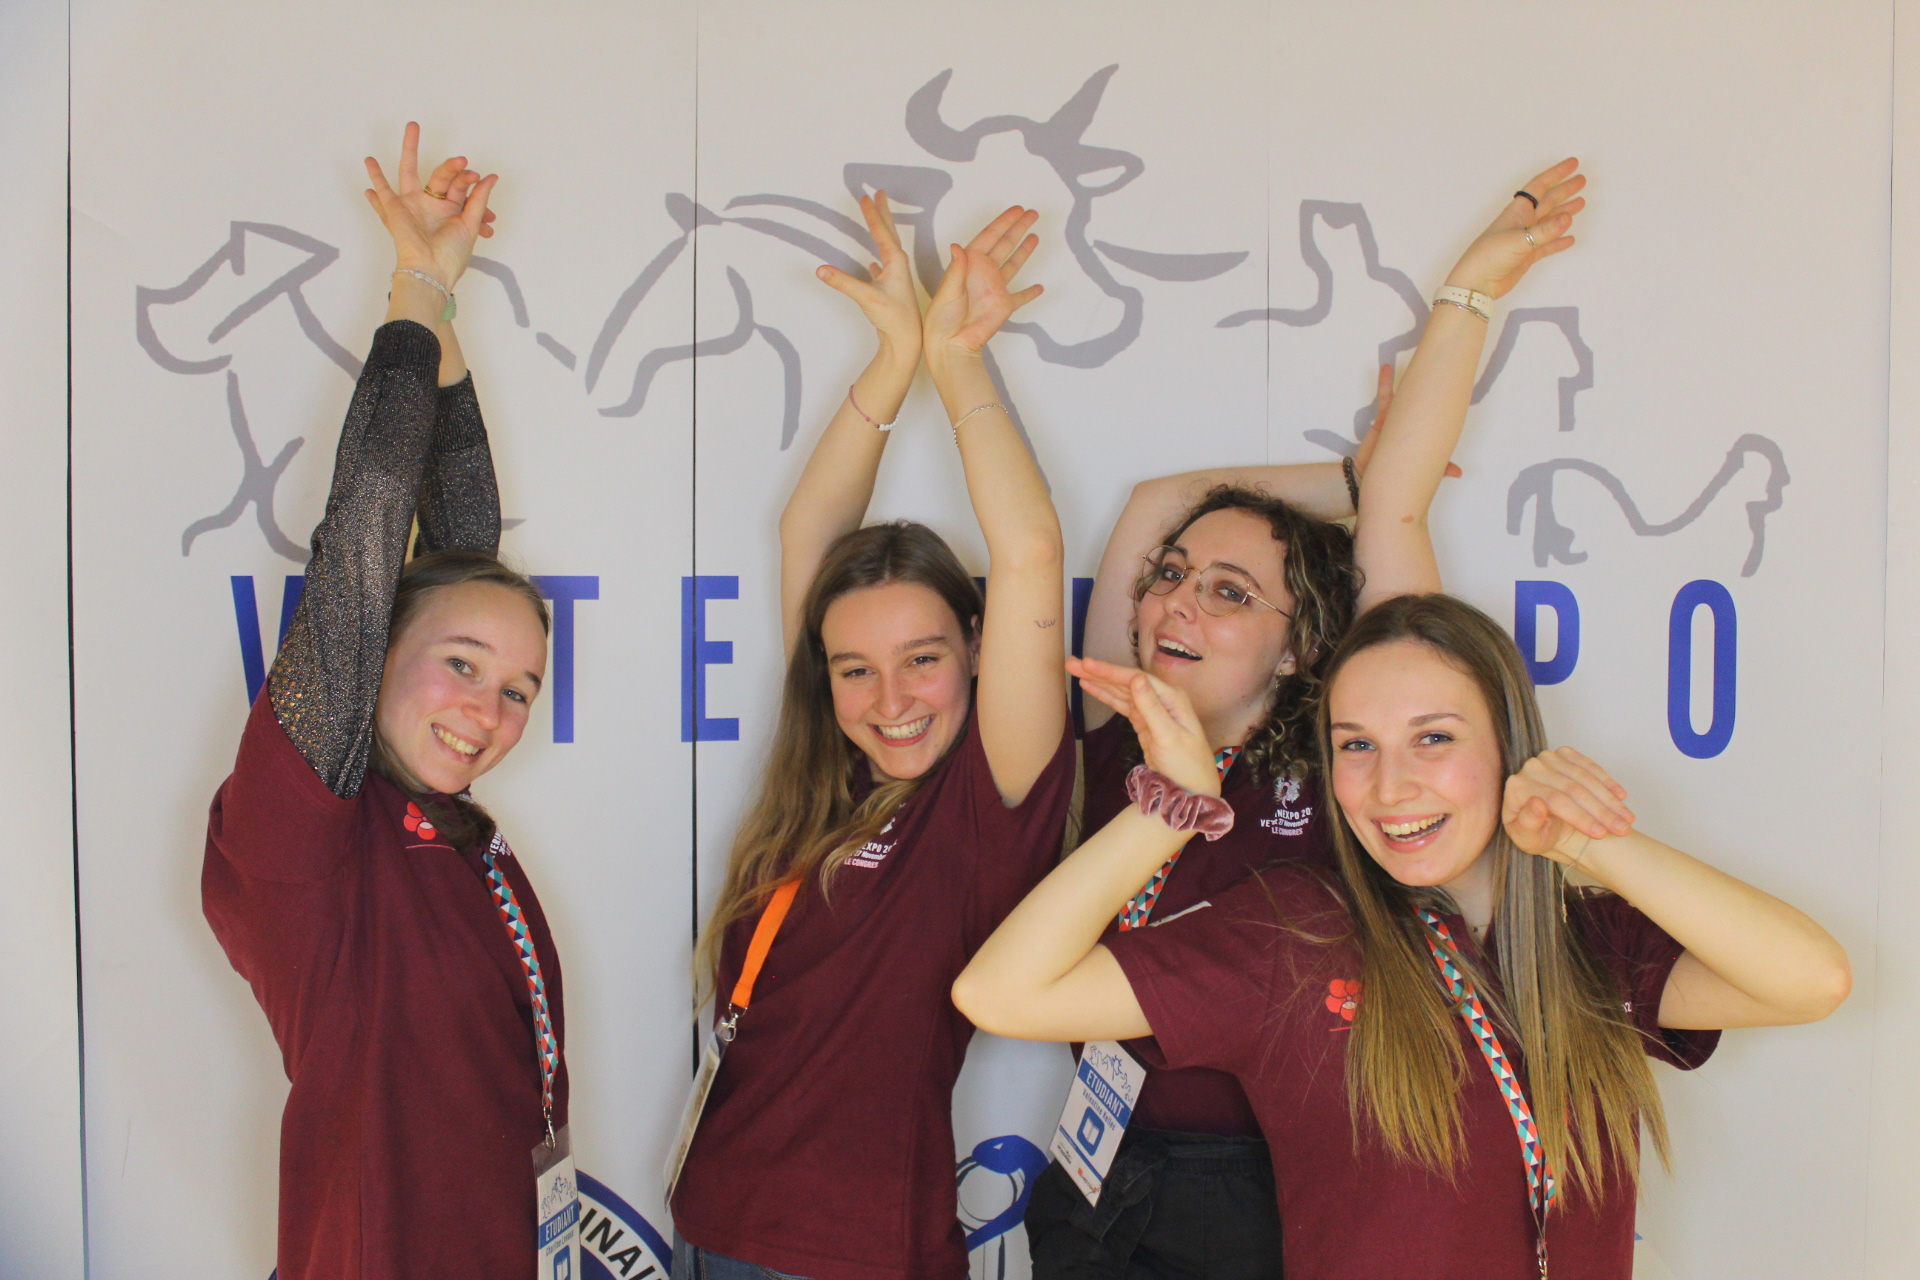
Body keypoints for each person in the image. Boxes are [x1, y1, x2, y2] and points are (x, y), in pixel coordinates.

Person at [1021, 162, 1586, 1279]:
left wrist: (1467, 296)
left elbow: (1399, 511)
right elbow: (1153, 505)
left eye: (1231, 592)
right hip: (1100, 1171)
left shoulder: (1345, 754)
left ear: (1301, 649)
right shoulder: (1113, 715)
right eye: (1172, 578)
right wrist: (1341, 473)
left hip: (1268, 1178)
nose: (1179, 602)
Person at [955, 592, 1851, 1279]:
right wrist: (1173, 809)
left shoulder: (1588, 943)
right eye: (1356, 745)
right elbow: (1001, 993)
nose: (1390, 788)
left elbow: (1812, 979)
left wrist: (1590, 845)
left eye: (1433, 739)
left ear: (1509, 745)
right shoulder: (1296, 933)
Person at [666, 193, 1077, 1280]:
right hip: (712, 1219)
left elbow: (1031, 549)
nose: (889, 697)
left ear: (979, 649)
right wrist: (892, 356)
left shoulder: (990, 796)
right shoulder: (830, 780)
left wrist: (955, 361)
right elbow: (808, 527)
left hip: (850, 1253)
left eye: (922, 658)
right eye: (855, 668)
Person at [202, 125, 565, 1280]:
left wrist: (448, 311)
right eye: (461, 666)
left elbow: (462, 555)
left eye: (517, 688)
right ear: (372, 659)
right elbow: (366, 547)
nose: (488, 709)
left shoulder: (446, 830)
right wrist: (412, 288)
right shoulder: (303, 840)